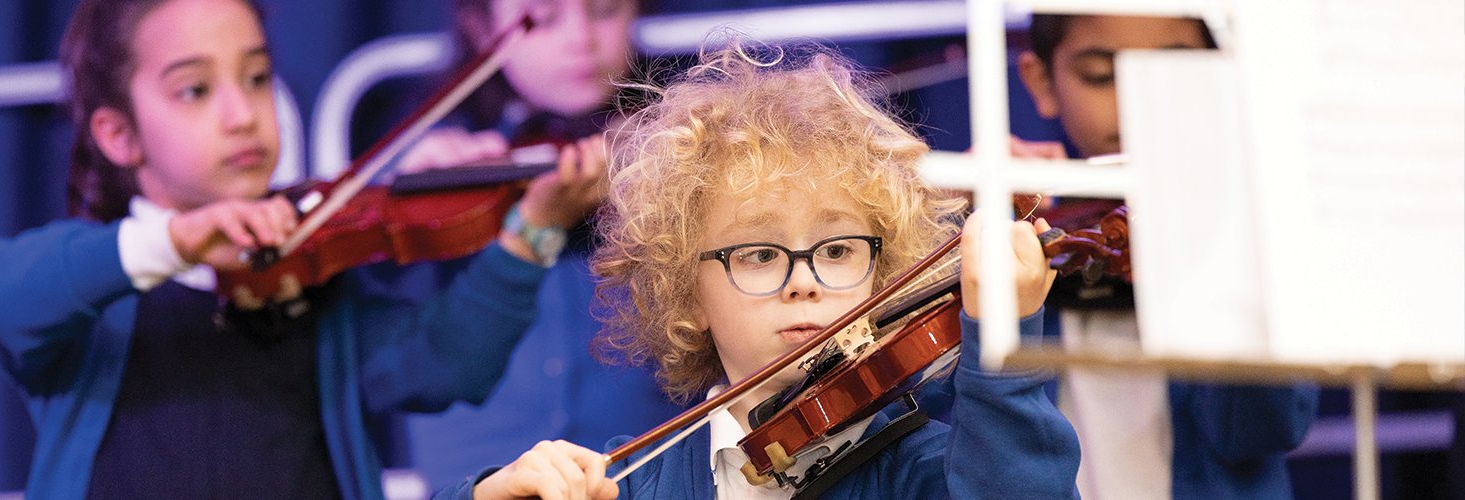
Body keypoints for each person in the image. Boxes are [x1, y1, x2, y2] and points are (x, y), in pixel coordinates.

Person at [0, 0, 585, 497]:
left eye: (257, 77)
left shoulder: (312, 283)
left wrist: (532, 230)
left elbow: (449, 364)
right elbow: (2, 291)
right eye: (195, 90)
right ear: (119, 135)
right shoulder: (91, 293)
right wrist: (177, 241)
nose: (242, 114)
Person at [432, 40, 1082, 500]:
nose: (804, 281)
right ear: (687, 293)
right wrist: (492, 493)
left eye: (836, 251)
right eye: (760, 255)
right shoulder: (634, 483)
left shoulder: (930, 471)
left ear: (884, 279)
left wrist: (1006, 343)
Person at [379, 0, 686, 489]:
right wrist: (413, 208)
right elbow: (387, 355)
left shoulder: (677, 144)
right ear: (481, 28)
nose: (579, 38)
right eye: (542, 18)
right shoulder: (441, 154)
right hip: (481, 478)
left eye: (605, 10)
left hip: (649, 475)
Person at [1014, 13, 1319, 499]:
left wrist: (1222, 249)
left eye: (1176, 74)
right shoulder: (1028, 219)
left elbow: (1261, 430)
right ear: (1041, 81)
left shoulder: (1257, 221)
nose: (1140, 103)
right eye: (1101, 75)